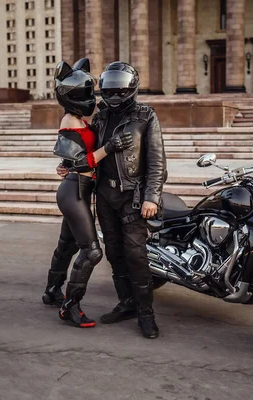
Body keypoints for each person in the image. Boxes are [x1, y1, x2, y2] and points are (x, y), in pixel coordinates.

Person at [60, 61, 167, 339]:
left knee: (136, 255)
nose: (116, 93)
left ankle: (146, 314)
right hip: (104, 196)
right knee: (114, 253)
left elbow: (157, 161)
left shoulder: (146, 115)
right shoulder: (101, 116)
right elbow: (87, 146)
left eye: (121, 88)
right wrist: (68, 163)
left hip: (133, 197)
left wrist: (151, 196)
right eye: (111, 88)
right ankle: (127, 303)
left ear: (131, 87)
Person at [43, 58, 133, 328]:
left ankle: (51, 291)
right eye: (85, 93)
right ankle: (69, 307)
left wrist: (66, 163)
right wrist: (111, 147)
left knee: (68, 245)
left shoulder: (79, 118)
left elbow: (75, 158)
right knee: (92, 252)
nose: (90, 98)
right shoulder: (70, 121)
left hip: (79, 189)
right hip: (74, 191)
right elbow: (82, 161)